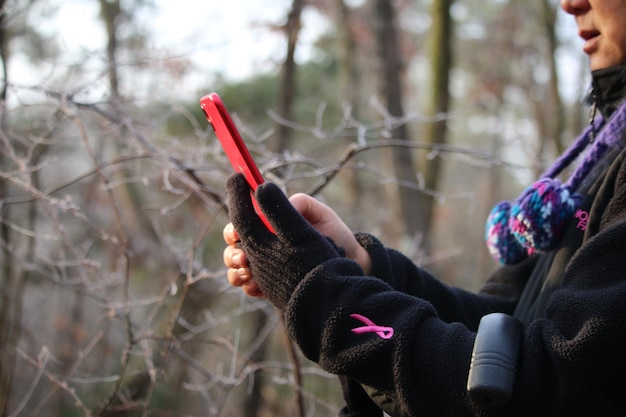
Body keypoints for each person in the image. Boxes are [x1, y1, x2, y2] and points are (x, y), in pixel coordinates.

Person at [222, 0, 626, 415]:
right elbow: (504, 329)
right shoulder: (604, 152)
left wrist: (330, 303)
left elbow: (540, 385)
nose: (571, 3)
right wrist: (362, 268)